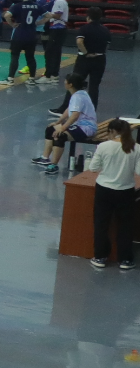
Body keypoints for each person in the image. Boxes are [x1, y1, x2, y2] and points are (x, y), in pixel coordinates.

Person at [91, 119, 137, 271]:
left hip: (104, 189)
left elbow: (93, 168)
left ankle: (100, 257)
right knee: (125, 225)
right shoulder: (136, 148)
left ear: (112, 131)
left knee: (101, 223)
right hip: (126, 191)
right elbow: (139, 171)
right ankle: (125, 259)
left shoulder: (103, 146)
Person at [38, 71, 98, 175]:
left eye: (66, 81)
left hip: (86, 128)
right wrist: (58, 122)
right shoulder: (80, 93)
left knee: (60, 135)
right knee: (51, 129)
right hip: (79, 125)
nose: (64, 82)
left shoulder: (77, 97)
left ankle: (54, 165)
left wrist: (63, 128)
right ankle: (45, 158)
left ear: (70, 84)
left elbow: (75, 115)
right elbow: (69, 109)